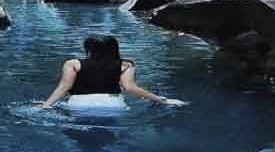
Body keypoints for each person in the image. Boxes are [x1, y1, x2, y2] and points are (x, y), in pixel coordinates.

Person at [39, 35, 186, 109]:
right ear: (114, 48)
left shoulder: (73, 64)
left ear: (89, 49)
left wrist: (45, 106)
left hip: (79, 104)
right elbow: (130, 88)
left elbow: (64, 87)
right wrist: (161, 99)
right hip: (112, 103)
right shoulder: (126, 65)